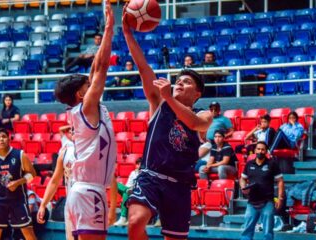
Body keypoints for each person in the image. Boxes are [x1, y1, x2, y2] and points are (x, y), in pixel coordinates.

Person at [122, 6, 213, 239]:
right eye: (178, 80)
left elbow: (194, 124)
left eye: (187, 82)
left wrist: (170, 97)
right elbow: (143, 68)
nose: (180, 83)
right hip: (150, 175)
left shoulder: (204, 114)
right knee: (135, 222)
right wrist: (127, 34)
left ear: (198, 94)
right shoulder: (159, 102)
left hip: (179, 185)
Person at [54, 2, 117, 239]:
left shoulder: (83, 108)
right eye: (87, 87)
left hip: (85, 190)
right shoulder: (86, 108)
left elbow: (94, 70)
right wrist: (110, 29)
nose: (92, 85)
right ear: (81, 95)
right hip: (90, 190)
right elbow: (100, 68)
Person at [0, 128, 37, 240]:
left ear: (9, 139)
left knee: (28, 232)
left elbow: (32, 174)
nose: (1, 139)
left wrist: (18, 182)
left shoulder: (19, 154)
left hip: (18, 199)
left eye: (4, 136)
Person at [37, 123, 76, 240]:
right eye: (72, 130)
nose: (74, 132)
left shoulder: (94, 148)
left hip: (90, 203)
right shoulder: (66, 149)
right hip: (71, 204)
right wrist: (43, 204)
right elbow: (54, 181)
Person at [240, 141, 285, 240]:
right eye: (258, 149)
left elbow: (280, 181)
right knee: (247, 230)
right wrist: (243, 188)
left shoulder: (272, 164)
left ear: (266, 151)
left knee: (268, 231)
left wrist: (280, 198)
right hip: (252, 202)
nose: (260, 151)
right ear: (255, 150)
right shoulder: (249, 164)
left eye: (263, 149)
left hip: (267, 202)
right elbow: (243, 178)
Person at [114, 157, 142, 226]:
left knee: (126, 193)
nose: (139, 166)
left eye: (140, 164)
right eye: (138, 164)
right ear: (136, 165)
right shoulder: (133, 173)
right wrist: (126, 189)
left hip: (137, 192)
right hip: (129, 190)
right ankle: (126, 191)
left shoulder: (144, 174)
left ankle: (123, 218)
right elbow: (128, 184)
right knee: (116, 184)